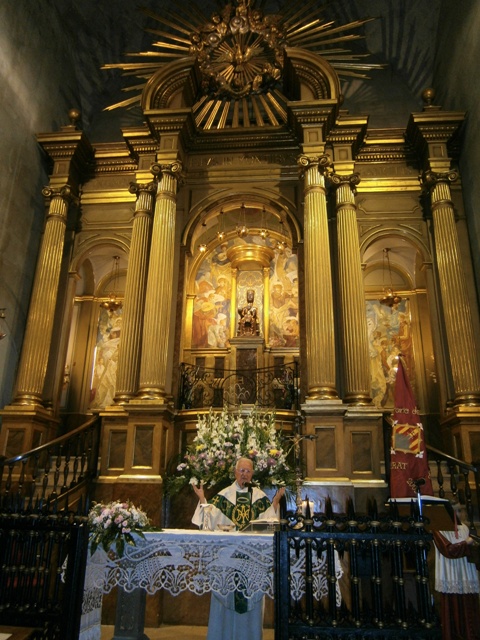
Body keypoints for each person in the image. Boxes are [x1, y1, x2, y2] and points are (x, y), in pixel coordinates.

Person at [192, 457, 285, 640]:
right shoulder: (224, 496)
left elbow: (270, 524)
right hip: (227, 563)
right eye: (241, 470)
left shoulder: (259, 497)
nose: (244, 474)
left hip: (251, 562)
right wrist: (202, 499)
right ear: (235, 472)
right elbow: (208, 521)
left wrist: (275, 502)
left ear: (252, 474)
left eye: (248, 471)